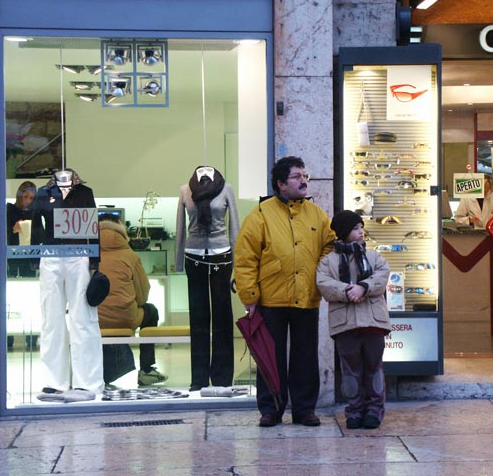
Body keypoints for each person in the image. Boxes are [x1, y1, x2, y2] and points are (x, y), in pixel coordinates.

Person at [234, 156, 337, 427]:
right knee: (271, 357)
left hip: (306, 297)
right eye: (297, 176)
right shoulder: (260, 215)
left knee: (305, 356)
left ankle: (304, 410)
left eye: (305, 175)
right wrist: (250, 298)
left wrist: (320, 275)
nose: (304, 180)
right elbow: (245, 259)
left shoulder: (316, 214)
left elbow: (329, 245)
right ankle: (271, 409)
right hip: (270, 299)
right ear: (281, 184)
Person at [32, 169, 104, 402]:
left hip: (78, 255)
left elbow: (93, 226)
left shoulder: (85, 192)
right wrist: (35, 258)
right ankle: (55, 382)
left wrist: (95, 260)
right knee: (51, 320)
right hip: (51, 255)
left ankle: (88, 382)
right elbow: (36, 226)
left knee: (83, 318)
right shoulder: (44, 193)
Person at [316, 210, 391, 430]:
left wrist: (364, 287)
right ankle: (354, 411)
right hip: (345, 325)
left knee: (374, 368)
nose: (361, 232)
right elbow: (324, 284)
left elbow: (382, 275)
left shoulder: (373, 256)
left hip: (373, 323)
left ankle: (374, 410)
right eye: (356, 229)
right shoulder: (328, 261)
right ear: (343, 233)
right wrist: (349, 290)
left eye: (361, 227)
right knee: (350, 370)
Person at [176, 166, 240, 391]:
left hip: (221, 254)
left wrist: (238, 261)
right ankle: (199, 379)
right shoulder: (185, 190)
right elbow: (181, 227)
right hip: (193, 255)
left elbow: (234, 226)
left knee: (222, 317)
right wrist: (177, 260)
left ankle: (222, 379)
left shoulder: (226, 189)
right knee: (198, 318)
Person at [97, 215, 168, 386]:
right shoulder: (131, 255)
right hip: (126, 317)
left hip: (94, 319)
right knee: (151, 311)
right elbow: (143, 293)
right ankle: (147, 369)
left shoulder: (88, 255)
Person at [6, 181, 37, 277]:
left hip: (30, 257)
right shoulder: (10, 210)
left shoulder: (35, 213)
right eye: (25, 196)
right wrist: (13, 230)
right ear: (20, 195)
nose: (28, 201)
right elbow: (1, 233)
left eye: (31, 198)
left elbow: (40, 235)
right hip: (13, 255)